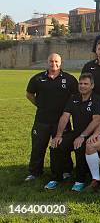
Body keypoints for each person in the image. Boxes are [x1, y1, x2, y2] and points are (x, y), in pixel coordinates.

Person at [25, 53, 78, 182]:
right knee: (38, 146)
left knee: (62, 147)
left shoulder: (69, 79)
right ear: (47, 62)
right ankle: (35, 172)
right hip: (42, 120)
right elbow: (29, 94)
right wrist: (40, 104)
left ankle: (66, 170)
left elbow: (76, 96)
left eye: (56, 61)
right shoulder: (37, 78)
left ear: (61, 63)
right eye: (51, 61)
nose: (53, 64)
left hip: (61, 120)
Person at [47, 73, 100, 191]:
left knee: (80, 147)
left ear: (92, 85)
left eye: (86, 84)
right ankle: (56, 178)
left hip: (90, 134)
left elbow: (96, 120)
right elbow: (65, 116)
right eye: (80, 84)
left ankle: (80, 180)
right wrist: (58, 135)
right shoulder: (74, 98)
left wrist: (83, 136)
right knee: (55, 145)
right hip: (76, 132)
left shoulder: (97, 99)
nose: (82, 86)